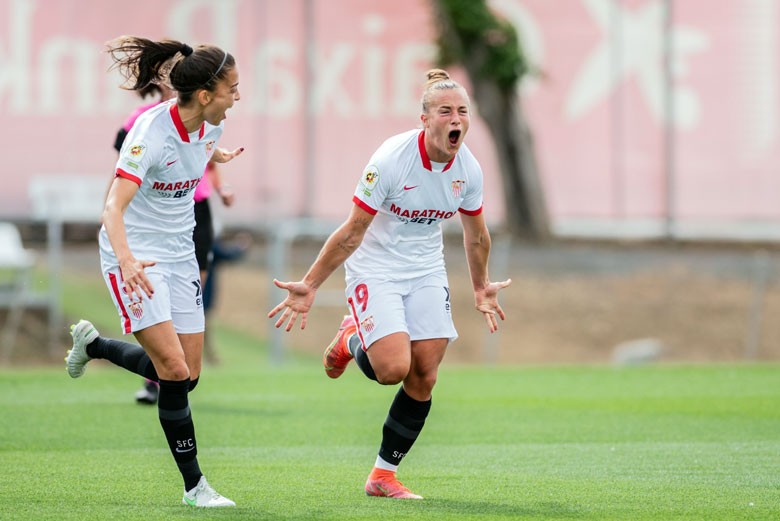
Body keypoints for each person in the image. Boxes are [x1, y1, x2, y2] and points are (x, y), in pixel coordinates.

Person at [268, 69, 511, 499]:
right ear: (425, 119)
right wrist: (310, 285)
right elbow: (351, 232)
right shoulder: (391, 160)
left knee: (424, 375)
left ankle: (382, 477)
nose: (456, 119)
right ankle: (350, 339)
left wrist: (480, 286)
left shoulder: (468, 169)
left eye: (462, 111)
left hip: (426, 270)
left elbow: (476, 234)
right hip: (375, 267)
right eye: (445, 111)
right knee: (392, 370)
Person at [65, 36, 243, 508]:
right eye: (233, 89)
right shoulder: (149, 133)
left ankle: (95, 345)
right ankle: (195, 487)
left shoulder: (210, 127)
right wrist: (125, 261)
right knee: (173, 370)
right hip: (135, 256)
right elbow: (112, 207)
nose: (238, 97)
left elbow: (196, 150)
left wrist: (216, 156)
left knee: (187, 376)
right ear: (205, 95)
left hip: (180, 253)